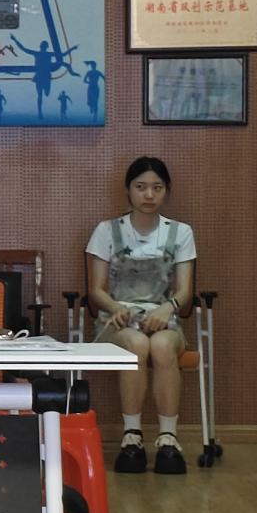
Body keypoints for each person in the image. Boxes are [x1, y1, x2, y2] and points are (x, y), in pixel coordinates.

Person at [85, 157, 197, 475]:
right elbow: (96, 290)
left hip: (165, 319)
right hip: (117, 321)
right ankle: (131, 437)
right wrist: (116, 307)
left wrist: (167, 308)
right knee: (136, 344)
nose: (149, 194)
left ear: (166, 192)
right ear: (128, 190)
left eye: (157, 188)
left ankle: (168, 439)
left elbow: (185, 291)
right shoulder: (106, 231)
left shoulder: (181, 232)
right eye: (141, 187)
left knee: (161, 345)